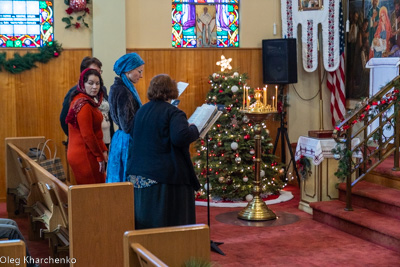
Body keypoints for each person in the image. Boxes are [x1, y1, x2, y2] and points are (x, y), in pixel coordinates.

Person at [130, 74, 200, 230]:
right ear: (172, 91)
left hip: (139, 175)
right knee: (166, 223)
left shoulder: (142, 111)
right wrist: (195, 129)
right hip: (163, 176)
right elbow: (180, 138)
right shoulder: (173, 112)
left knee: (145, 221)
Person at [106, 53, 145, 183]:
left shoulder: (120, 87)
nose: (141, 75)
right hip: (126, 141)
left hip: (121, 137)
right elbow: (127, 124)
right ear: (128, 71)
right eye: (139, 71)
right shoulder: (122, 90)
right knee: (125, 178)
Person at [59, 57, 114, 146]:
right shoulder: (74, 92)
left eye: (99, 71)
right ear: (83, 74)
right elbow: (64, 119)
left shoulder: (102, 89)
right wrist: (78, 138)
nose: (97, 74)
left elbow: (108, 115)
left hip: (105, 140)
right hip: (85, 143)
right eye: (94, 71)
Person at [65, 68, 108, 184]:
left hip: (87, 151)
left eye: (97, 83)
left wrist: (103, 149)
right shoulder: (83, 104)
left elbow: (96, 132)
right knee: (94, 193)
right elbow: (88, 135)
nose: (95, 87)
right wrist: (99, 156)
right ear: (82, 84)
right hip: (84, 153)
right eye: (90, 83)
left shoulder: (86, 101)